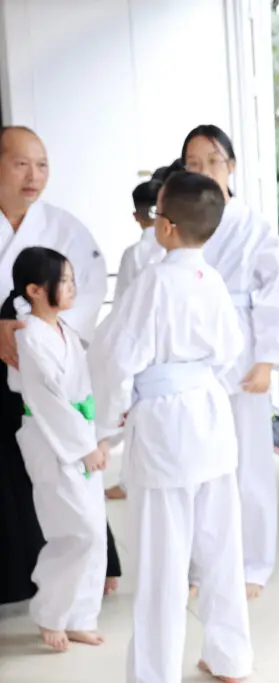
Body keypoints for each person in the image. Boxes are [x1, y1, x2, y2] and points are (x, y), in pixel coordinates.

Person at [89, 171, 252, 683]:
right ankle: (230, 658)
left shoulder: (154, 282)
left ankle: (155, 674)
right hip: (210, 420)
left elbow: (118, 358)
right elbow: (232, 356)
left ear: (165, 226)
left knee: (163, 563)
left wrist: (108, 426)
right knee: (222, 549)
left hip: (164, 428)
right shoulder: (214, 281)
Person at [0, 126, 122, 605]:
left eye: (43, 164)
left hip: (46, 355)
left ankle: (92, 568)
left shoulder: (64, 228)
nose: (35, 176)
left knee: (68, 461)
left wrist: (37, 329)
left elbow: (86, 290)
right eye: (21, 164)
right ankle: (13, 576)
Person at [182, 124, 279, 598]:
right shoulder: (180, 222)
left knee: (249, 462)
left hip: (245, 349)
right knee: (196, 460)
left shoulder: (253, 224)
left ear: (231, 167)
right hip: (194, 353)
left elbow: (275, 295)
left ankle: (252, 563)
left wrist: (268, 359)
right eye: (193, 163)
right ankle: (199, 564)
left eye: (213, 160)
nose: (205, 171)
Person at [2, 246, 109, 652]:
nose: (72, 287)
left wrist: (98, 438)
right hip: (51, 441)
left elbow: (86, 390)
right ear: (33, 289)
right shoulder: (29, 336)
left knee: (94, 531)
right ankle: (50, 611)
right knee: (74, 531)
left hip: (82, 436)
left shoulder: (66, 331)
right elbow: (47, 399)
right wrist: (83, 447)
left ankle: (81, 615)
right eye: (62, 281)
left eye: (71, 279)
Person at [105, 167, 176, 501]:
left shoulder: (133, 254)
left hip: (139, 346)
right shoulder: (173, 250)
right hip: (173, 349)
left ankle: (129, 480)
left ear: (135, 216)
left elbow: (121, 307)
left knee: (135, 414)